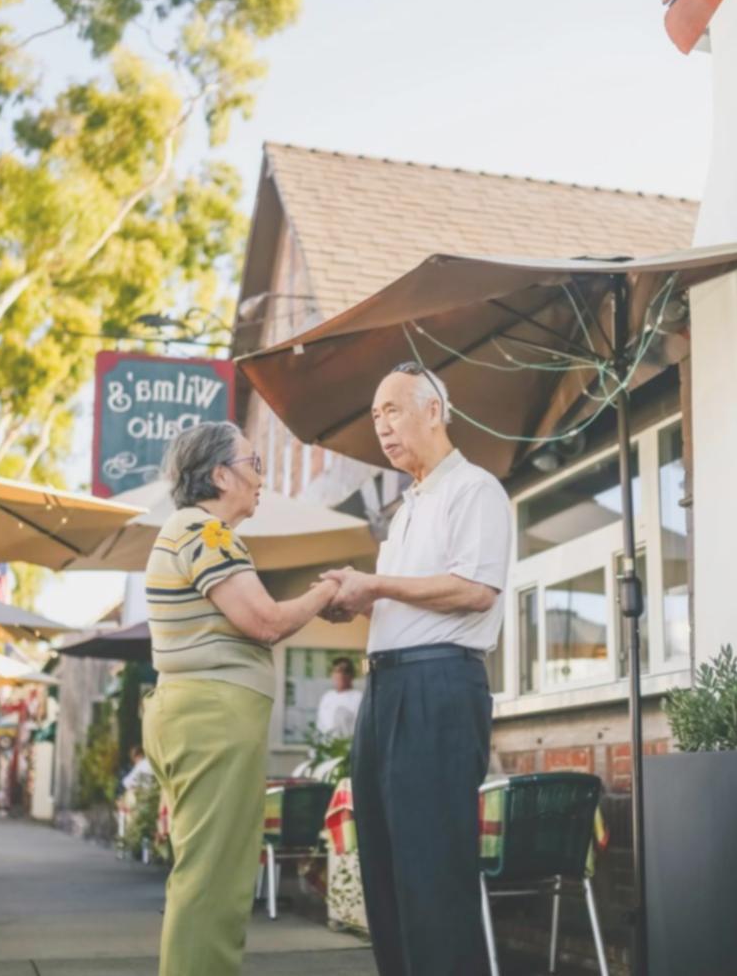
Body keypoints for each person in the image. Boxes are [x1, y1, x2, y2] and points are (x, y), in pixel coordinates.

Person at [321, 362, 512, 975]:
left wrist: (376, 583)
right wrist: (357, 601)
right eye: (375, 416)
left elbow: (477, 589)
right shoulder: (405, 508)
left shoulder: (475, 489)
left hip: (438, 687)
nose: (381, 427)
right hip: (387, 689)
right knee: (384, 866)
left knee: (432, 868)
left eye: (393, 410)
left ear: (434, 411)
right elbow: (403, 603)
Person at [143, 421, 340, 976]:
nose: (263, 479)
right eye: (255, 464)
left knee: (207, 875)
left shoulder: (190, 532)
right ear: (219, 474)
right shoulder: (206, 534)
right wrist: (327, 591)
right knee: (215, 882)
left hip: (195, 714)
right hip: (211, 718)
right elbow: (265, 621)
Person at [314, 656, 363, 740]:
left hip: (347, 749)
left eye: (346, 671)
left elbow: (361, 730)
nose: (341, 675)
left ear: (352, 675)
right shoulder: (327, 697)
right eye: (337, 671)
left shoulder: (359, 698)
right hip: (326, 750)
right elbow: (320, 726)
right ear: (332, 674)